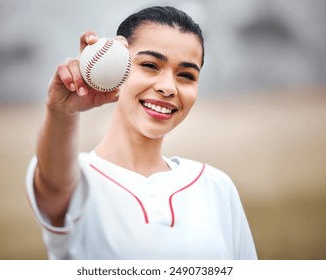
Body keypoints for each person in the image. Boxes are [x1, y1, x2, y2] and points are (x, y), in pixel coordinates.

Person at [26, 5, 257, 260]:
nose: (168, 87)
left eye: (186, 75)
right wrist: (61, 111)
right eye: (150, 65)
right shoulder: (77, 179)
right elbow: (53, 185)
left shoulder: (217, 187)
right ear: (117, 65)